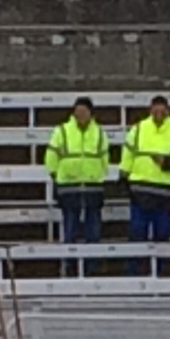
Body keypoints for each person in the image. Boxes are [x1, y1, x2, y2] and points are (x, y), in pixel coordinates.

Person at [121, 95, 170, 273]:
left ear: (168, 111)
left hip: (166, 193)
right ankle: (135, 272)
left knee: (162, 233)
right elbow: (128, 153)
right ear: (150, 110)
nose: (158, 114)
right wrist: (124, 175)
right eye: (155, 110)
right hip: (140, 190)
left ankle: (160, 272)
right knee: (137, 231)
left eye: (162, 111)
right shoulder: (138, 129)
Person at [44, 96, 111, 269]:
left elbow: (104, 158)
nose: (81, 114)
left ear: (91, 113)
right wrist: (57, 176)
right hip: (68, 187)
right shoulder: (62, 131)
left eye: (84, 111)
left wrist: (99, 176)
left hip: (93, 187)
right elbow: (51, 156)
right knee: (70, 228)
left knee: (93, 231)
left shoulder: (99, 133)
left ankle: (92, 267)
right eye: (78, 111)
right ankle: (69, 265)